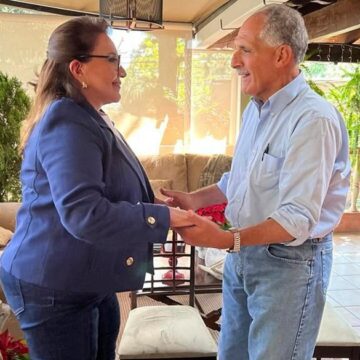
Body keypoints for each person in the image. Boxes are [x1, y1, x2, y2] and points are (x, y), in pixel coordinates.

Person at [162, 4, 351, 360]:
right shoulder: (256, 108)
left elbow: (297, 218)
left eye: (245, 49)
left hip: (290, 264)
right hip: (244, 255)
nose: (234, 61)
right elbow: (241, 179)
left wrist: (224, 238)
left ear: (282, 55)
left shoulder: (313, 120)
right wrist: (193, 199)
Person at [0, 16, 192, 360]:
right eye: (113, 60)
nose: (123, 71)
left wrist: (160, 202)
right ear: (79, 69)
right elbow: (84, 214)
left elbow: (106, 188)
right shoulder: (67, 121)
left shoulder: (90, 116)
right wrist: (164, 218)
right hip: (54, 284)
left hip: (87, 276)